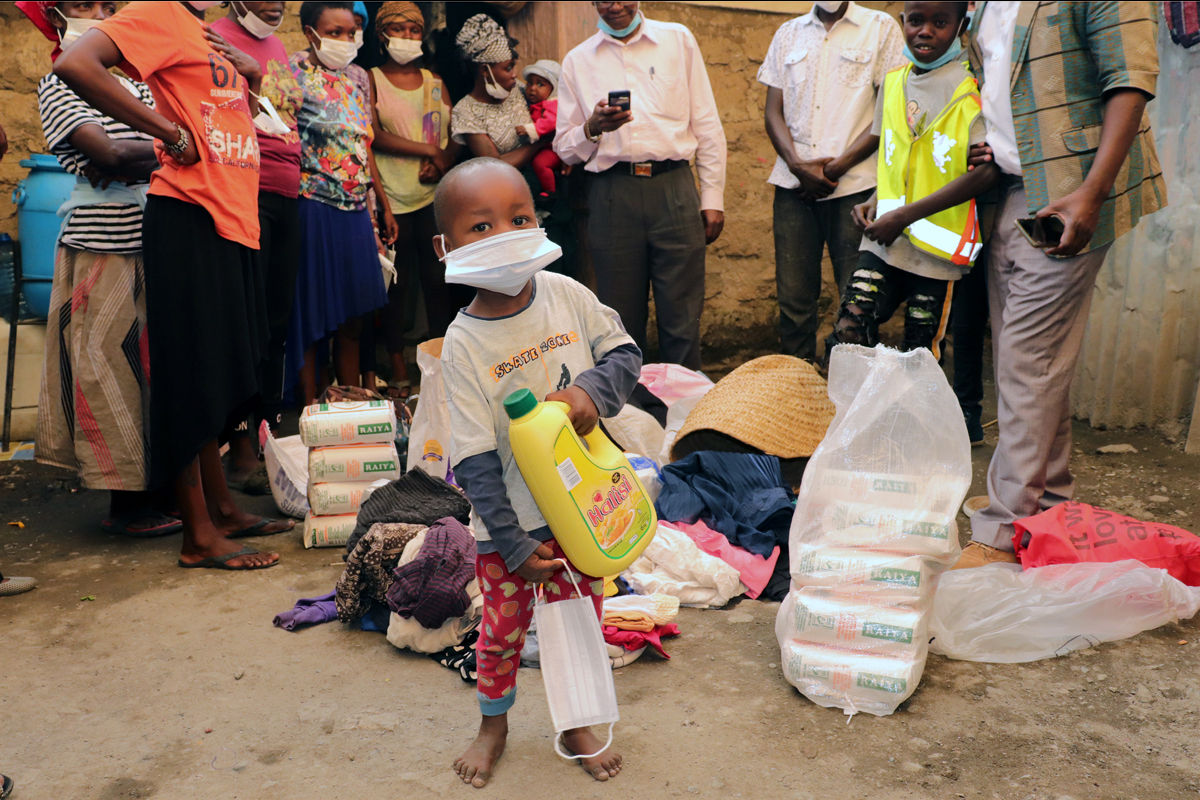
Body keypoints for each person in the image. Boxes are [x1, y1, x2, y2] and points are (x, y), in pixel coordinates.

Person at [55, 0, 293, 570]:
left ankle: (222, 510)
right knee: (190, 373)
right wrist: (168, 134)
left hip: (230, 216)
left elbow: (225, 114)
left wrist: (252, 78)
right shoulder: (157, 10)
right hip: (188, 211)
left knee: (219, 371)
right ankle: (197, 536)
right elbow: (75, 64)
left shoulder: (197, 28)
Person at [438, 159, 640, 787]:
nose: (504, 233)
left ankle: (575, 721)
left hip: (580, 512)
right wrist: (514, 541)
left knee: (579, 621)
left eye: (518, 217)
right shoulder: (462, 343)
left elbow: (625, 353)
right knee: (500, 633)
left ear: (538, 220)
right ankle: (493, 725)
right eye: (481, 226)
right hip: (511, 528)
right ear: (445, 247)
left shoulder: (567, 295)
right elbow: (473, 459)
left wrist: (589, 393)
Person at [953, 1, 1166, 569]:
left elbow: (1130, 78)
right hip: (1009, 189)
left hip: (1067, 190)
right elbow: (999, 83)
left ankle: (1000, 534)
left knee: (1027, 362)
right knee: (1033, 363)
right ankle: (1048, 505)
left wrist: (1093, 193)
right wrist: (992, 140)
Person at [18, 0, 178, 537]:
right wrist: (165, 144)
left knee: (156, 366)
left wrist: (140, 149)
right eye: (85, 3)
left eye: (108, 4)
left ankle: (161, 491)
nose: (99, 12)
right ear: (56, 15)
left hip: (153, 236)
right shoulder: (59, 81)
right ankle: (126, 504)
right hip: (101, 246)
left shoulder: (139, 81)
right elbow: (105, 154)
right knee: (110, 367)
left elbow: (134, 150)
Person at [556, 0, 726, 370]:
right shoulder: (577, 60)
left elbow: (707, 124)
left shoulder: (677, 40)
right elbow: (565, 148)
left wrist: (712, 196)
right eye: (604, 0)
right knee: (620, 320)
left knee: (682, 318)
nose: (614, 6)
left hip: (675, 188)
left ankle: (683, 413)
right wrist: (593, 128)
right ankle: (631, 417)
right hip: (613, 194)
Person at [825, 1, 997, 362]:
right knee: (849, 331)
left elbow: (985, 171)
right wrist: (873, 201)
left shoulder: (971, 89)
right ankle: (856, 415)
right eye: (916, 21)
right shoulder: (893, 83)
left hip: (937, 254)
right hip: (886, 242)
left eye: (940, 22)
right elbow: (898, 160)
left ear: (961, 25)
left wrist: (903, 216)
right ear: (903, 22)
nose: (926, 31)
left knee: (920, 354)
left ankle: (909, 419)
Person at [758, 1, 904, 363]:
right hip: (794, 190)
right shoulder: (787, 33)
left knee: (855, 301)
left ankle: (853, 401)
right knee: (793, 302)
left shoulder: (880, 27)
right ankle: (798, 393)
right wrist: (796, 165)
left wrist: (834, 170)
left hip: (855, 190)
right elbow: (772, 110)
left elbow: (890, 113)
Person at [211, 0, 304, 491]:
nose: (275, 5)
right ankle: (240, 445)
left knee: (275, 321)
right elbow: (216, 114)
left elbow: (289, 117)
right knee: (245, 321)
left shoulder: (277, 46)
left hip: (289, 193)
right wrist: (249, 83)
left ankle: (268, 436)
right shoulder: (213, 36)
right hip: (247, 189)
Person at [285, 0, 396, 406]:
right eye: (334, 33)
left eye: (350, 33)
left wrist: (381, 203)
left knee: (355, 313)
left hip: (355, 211)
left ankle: (353, 401)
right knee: (313, 315)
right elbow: (277, 138)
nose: (344, 41)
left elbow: (364, 145)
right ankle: (310, 406)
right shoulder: (290, 71)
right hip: (311, 205)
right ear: (311, 32)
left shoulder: (359, 77)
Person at [368, 0, 467, 400]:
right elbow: (373, 135)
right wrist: (427, 152)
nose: (407, 37)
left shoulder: (434, 81)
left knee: (438, 279)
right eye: (398, 29)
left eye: (413, 30)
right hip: (390, 195)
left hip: (431, 196)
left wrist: (441, 161)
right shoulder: (371, 79)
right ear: (381, 35)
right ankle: (396, 364)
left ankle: (442, 359)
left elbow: (454, 134)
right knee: (395, 283)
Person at [449, 13, 545, 169]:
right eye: (508, 68)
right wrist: (542, 142)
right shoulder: (466, 112)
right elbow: (494, 164)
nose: (514, 74)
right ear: (484, 70)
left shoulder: (519, 89)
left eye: (513, 66)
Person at [518, 59, 565, 197]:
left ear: (553, 89)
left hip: (553, 148)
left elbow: (551, 122)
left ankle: (550, 191)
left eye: (540, 84)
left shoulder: (553, 104)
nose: (532, 88)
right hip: (542, 146)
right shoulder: (535, 103)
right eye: (530, 83)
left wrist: (530, 129)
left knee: (540, 163)